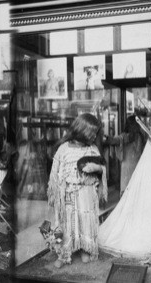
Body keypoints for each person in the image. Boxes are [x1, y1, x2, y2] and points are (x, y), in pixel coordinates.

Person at [48, 113, 108, 268]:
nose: (95, 136)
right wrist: (54, 192)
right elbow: (54, 173)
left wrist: (97, 169)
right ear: (82, 130)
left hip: (87, 193)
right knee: (66, 223)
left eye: (96, 133)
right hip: (67, 192)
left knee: (85, 221)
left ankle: (84, 248)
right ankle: (64, 253)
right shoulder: (63, 149)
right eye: (92, 133)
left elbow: (102, 169)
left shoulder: (93, 148)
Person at [103, 115, 146, 195]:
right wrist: (108, 139)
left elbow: (115, 140)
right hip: (132, 166)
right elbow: (116, 140)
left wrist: (109, 139)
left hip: (132, 166)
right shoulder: (129, 136)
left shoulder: (137, 136)